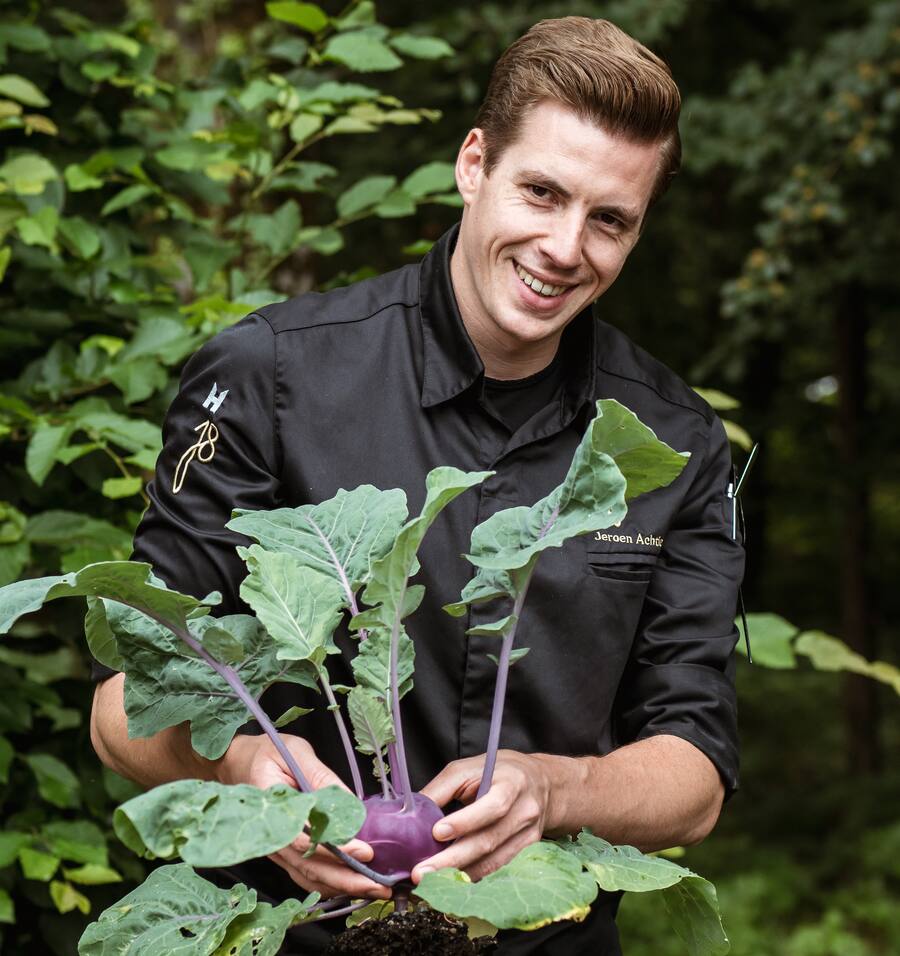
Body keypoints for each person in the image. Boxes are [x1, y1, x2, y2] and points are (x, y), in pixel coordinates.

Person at [90, 16, 743, 954]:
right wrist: (251, 775)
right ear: (473, 165)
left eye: (610, 220)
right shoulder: (272, 376)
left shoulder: (669, 438)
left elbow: (697, 772)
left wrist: (553, 790)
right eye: (542, 192)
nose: (565, 247)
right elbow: (124, 704)